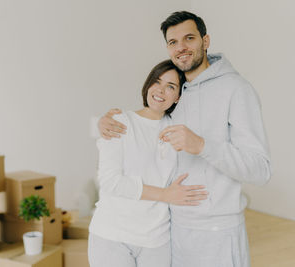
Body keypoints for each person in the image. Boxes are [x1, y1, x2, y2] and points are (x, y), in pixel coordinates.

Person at [97, 11, 271, 267]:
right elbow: (142, 126)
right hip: (173, 231)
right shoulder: (175, 93)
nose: (181, 48)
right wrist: (104, 123)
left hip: (218, 233)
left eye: (189, 38)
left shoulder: (236, 89)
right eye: (173, 42)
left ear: (206, 40)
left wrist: (202, 146)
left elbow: (261, 170)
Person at [88, 60, 208, 267]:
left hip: (157, 240)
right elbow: (110, 182)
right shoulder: (120, 122)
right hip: (112, 236)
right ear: (148, 84)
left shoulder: (178, 130)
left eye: (171, 86)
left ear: (178, 96)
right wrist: (164, 194)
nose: (161, 90)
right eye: (157, 82)